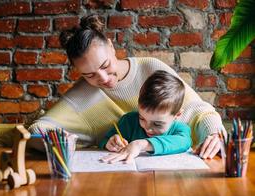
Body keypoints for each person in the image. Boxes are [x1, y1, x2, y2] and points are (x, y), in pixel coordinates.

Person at [28, 14, 225, 159]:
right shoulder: (82, 95)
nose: (103, 78)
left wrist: (214, 132)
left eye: (105, 65)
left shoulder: (151, 68)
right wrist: (55, 139)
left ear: (111, 46)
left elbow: (198, 109)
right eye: (89, 75)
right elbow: (38, 128)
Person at [99, 71, 191, 163]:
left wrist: (141, 144)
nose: (148, 128)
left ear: (177, 115)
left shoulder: (180, 129)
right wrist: (110, 143)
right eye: (142, 118)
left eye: (157, 124)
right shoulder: (129, 122)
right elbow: (103, 141)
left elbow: (184, 142)